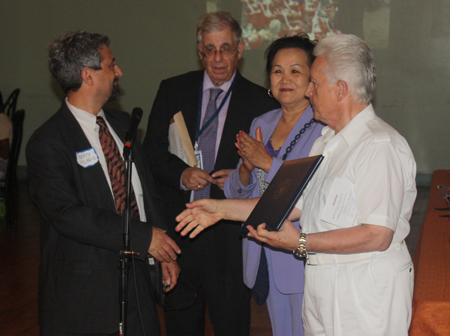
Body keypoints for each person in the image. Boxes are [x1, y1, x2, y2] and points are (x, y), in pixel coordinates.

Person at [176, 34, 417, 336]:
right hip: (324, 287)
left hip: (364, 293)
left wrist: (301, 243)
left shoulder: (378, 145)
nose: (309, 92)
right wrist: (219, 208)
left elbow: (377, 235)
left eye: (314, 83)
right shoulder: (327, 141)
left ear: (340, 90)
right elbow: (289, 203)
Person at [27, 31, 181, 336]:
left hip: (139, 286)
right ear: (88, 75)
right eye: (111, 65)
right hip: (86, 298)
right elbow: (68, 215)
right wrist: (143, 237)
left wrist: (162, 250)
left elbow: (146, 195)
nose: (119, 71)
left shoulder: (124, 124)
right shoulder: (47, 142)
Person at [143, 11, 279, 336]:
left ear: (240, 49)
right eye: (210, 50)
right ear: (200, 51)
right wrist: (182, 174)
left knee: (232, 327)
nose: (218, 59)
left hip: (229, 242)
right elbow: (152, 152)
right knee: (180, 326)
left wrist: (239, 175)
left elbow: (265, 172)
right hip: (180, 234)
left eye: (226, 49)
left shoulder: (261, 102)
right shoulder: (172, 89)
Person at [223, 34, 324, 336]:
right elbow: (234, 191)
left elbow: (313, 188)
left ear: (312, 79)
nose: (285, 79)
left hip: (300, 252)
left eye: (295, 70)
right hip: (263, 250)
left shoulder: (322, 127)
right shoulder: (262, 122)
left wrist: (267, 162)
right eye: (277, 70)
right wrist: (245, 168)